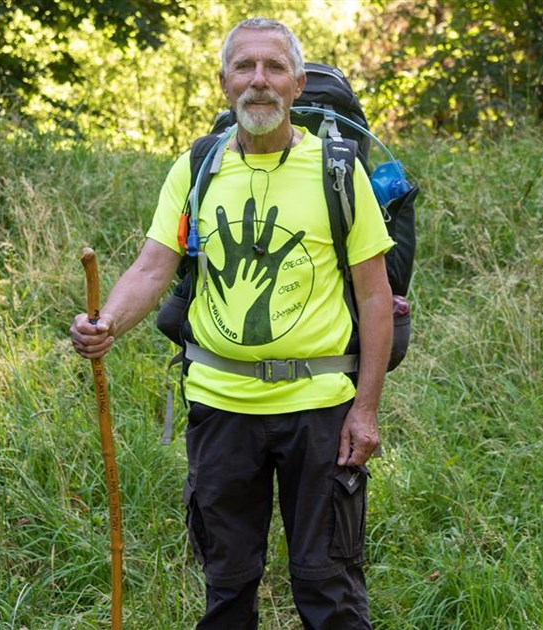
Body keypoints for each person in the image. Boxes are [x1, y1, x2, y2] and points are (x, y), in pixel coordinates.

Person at [70, 17, 394, 629]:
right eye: (244, 67)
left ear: (297, 84)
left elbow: (375, 297)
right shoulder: (196, 167)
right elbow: (152, 265)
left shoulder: (337, 171)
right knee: (227, 584)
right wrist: (106, 321)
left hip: (321, 406)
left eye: (274, 67)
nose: (259, 81)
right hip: (220, 406)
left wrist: (367, 409)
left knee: (329, 588)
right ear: (223, 82)